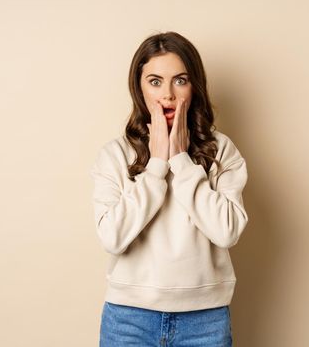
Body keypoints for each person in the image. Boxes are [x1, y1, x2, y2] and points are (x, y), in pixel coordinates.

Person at [90, 31, 249, 346]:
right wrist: (157, 166)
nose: (168, 95)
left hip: (205, 319)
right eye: (155, 81)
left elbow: (227, 231)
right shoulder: (114, 155)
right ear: (139, 87)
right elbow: (113, 238)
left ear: (194, 86)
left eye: (180, 80)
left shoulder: (222, 150)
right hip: (128, 319)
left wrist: (180, 160)